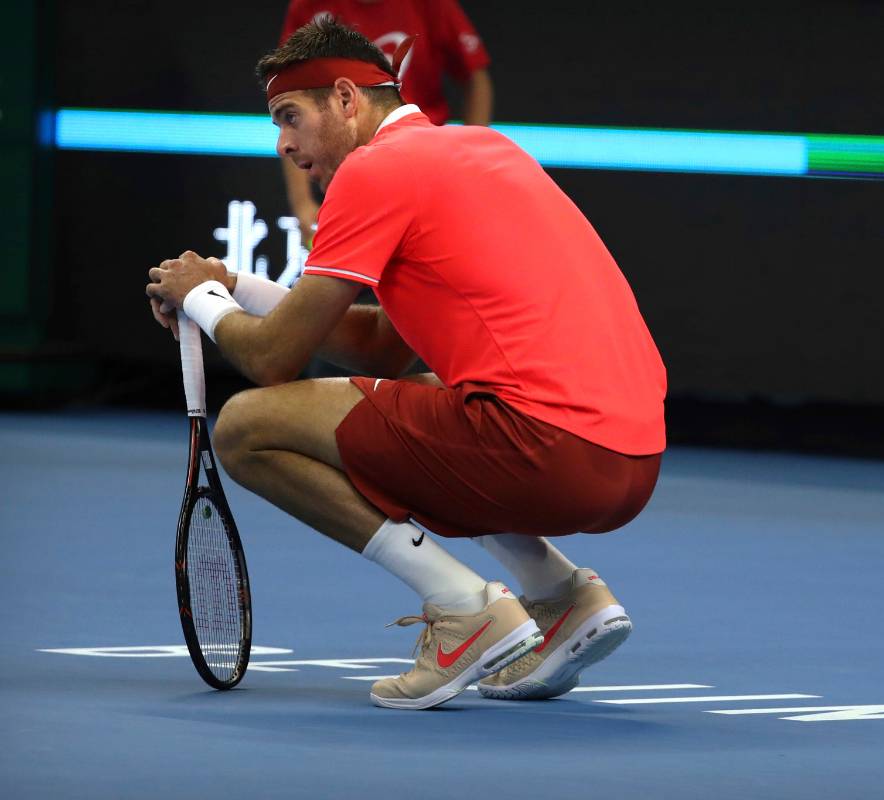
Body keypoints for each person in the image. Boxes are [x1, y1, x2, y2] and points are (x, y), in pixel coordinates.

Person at [145, 18, 666, 710]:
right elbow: (386, 345)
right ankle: (563, 595)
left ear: (346, 100)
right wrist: (232, 287)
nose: (285, 144)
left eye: (290, 117)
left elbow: (273, 360)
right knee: (416, 391)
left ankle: (462, 608)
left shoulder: (374, 171)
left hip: (551, 451)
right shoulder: (480, 149)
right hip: (633, 460)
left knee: (246, 426)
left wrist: (200, 301)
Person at [279, 0, 493, 239]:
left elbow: (476, 78)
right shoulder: (307, 7)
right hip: (346, 180)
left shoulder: (433, 5)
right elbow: (291, 103)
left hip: (423, 172)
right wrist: (302, 202)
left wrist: (468, 161)